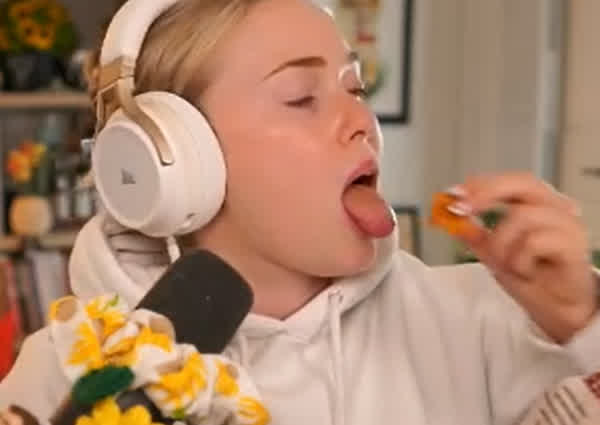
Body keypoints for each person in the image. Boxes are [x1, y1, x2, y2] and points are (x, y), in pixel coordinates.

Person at [1, 0, 600, 424]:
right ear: (177, 159)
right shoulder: (67, 375)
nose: (361, 121)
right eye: (301, 98)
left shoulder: (490, 324)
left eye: (355, 89)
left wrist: (583, 324)